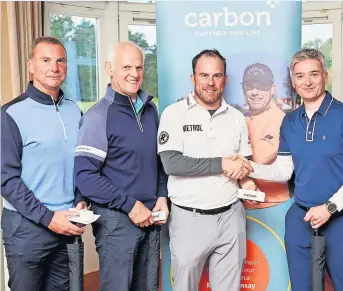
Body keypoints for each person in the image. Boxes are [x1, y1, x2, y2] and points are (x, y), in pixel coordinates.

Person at [246, 48, 343, 291]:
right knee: (301, 287)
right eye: (300, 76)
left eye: (314, 74)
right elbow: (284, 171)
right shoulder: (290, 121)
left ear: (325, 76)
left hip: (342, 219)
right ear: (293, 81)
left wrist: (330, 207)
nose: (308, 81)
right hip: (301, 217)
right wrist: (249, 167)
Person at [157, 49, 256, 291]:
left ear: (225, 79)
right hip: (189, 217)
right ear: (193, 78)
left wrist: (248, 184)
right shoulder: (173, 113)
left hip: (231, 216)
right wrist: (222, 164)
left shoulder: (236, 117)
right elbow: (172, 164)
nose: (210, 83)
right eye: (204, 75)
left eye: (217, 76)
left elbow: (243, 164)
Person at [74, 41, 168, 291]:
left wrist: (162, 195)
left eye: (138, 67)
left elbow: (157, 160)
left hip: (150, 217)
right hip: (117, 220)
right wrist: (131, 205)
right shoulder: (98, 116)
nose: (134, 74)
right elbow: (85, 176)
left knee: (148, 287)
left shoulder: (150, 110)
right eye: (126, 66)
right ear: (109, 69)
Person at [1, 36, 87, 291]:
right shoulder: (10, 114)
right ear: (31, 65)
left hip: (69, 224)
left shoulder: (75, 110)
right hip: (27, 228)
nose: (54, 67)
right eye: (46, 60)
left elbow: (83, 164)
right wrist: (48, 218)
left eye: (60, 60)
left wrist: (82, 199)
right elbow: (6, 179)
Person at [241, 63, 290, 209]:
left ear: (272, 89)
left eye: (261, 86)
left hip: (274, 207)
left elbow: (258, 158)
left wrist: (226, 161)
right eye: (249, 86)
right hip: (242, 208)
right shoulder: (241, 120)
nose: (254, 92)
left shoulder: (283, 121)